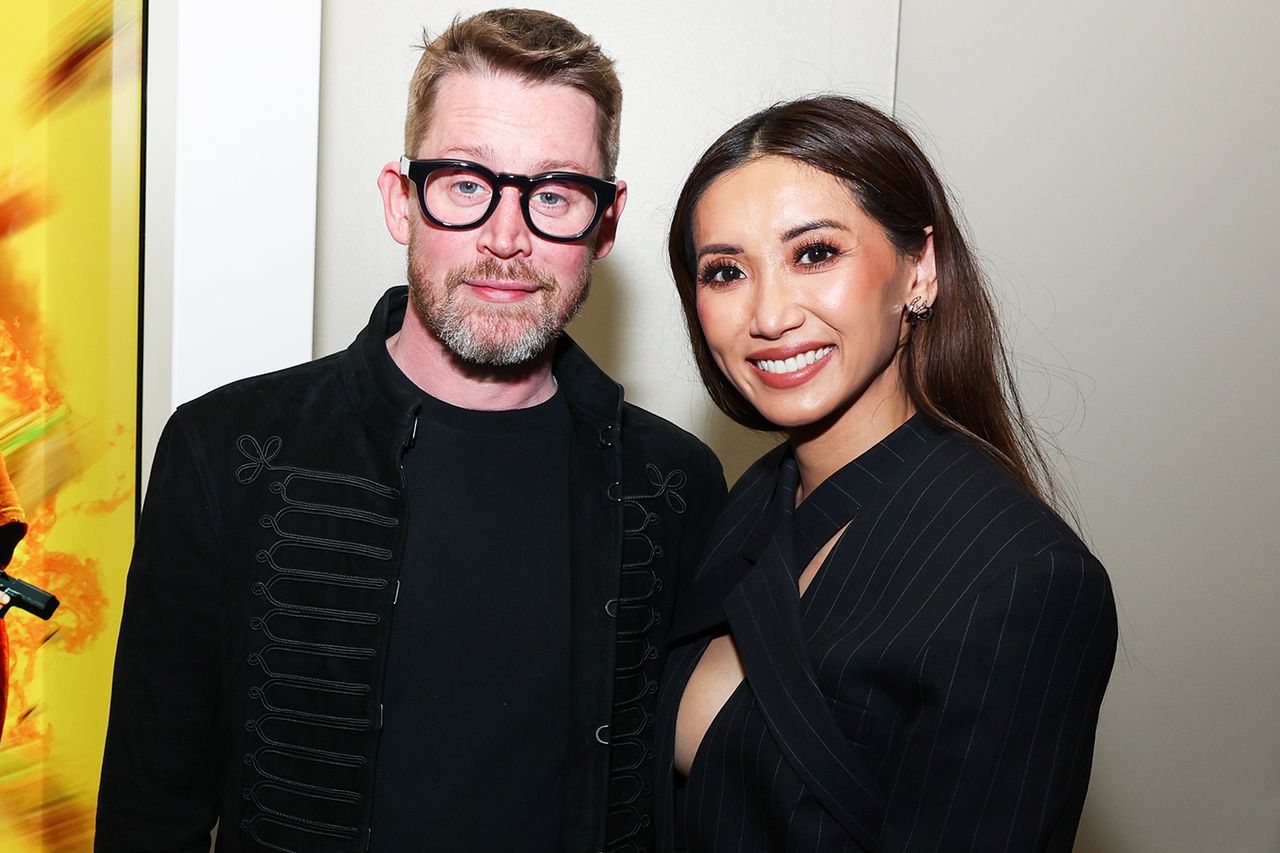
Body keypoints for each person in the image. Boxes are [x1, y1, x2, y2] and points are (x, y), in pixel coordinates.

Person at [96, 10, 725, 852]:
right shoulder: (224, 454)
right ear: (401, 202)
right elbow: (148, 813)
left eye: (554, 194)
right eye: (465, 183)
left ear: (604, 224)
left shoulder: (675, 485)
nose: (507, 238)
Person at [654, 96, 1117, 852]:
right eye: (727, 271)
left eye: (814, 254)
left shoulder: (1024, 581)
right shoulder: (754, 499)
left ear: (919, 270)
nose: (769, 315)